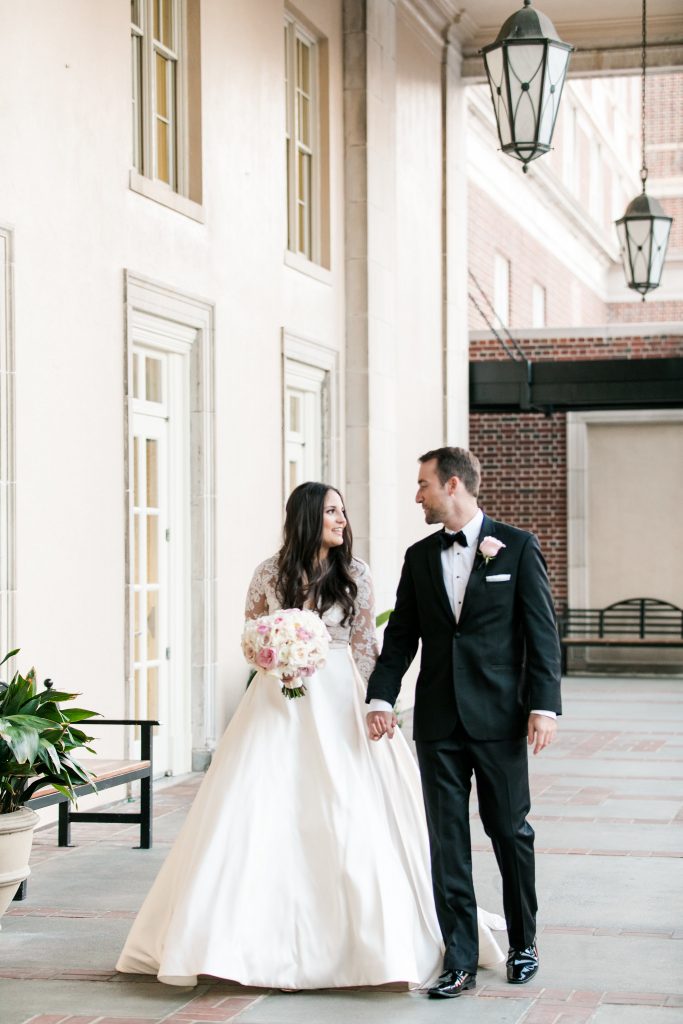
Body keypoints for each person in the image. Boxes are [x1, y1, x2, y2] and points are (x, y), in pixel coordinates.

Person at [117, 481, 506, 989]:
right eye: (331, 512)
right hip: (278, 698)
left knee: (347, 806)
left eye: (343, 511)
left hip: (340, 696)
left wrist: (374, 703)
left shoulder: (356, 574)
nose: (342, 520)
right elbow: (252, 635)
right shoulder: (269, 573)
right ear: (306, 517)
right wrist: (275, 654)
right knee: (256, 808)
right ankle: (232, 941)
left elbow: (367, 644)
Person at [366, 447, 562, 999]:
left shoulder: (518, 547)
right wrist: (380, 698)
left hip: (500, 719)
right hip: (438, 720)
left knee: (509, 830)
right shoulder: (419, 556)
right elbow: (402, 636)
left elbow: (542, 635)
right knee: (446, 839)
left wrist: (544, 707)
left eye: (423, 484)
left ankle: (524, 942)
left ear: (453, 485)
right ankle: (460, 958)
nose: (417, 495)